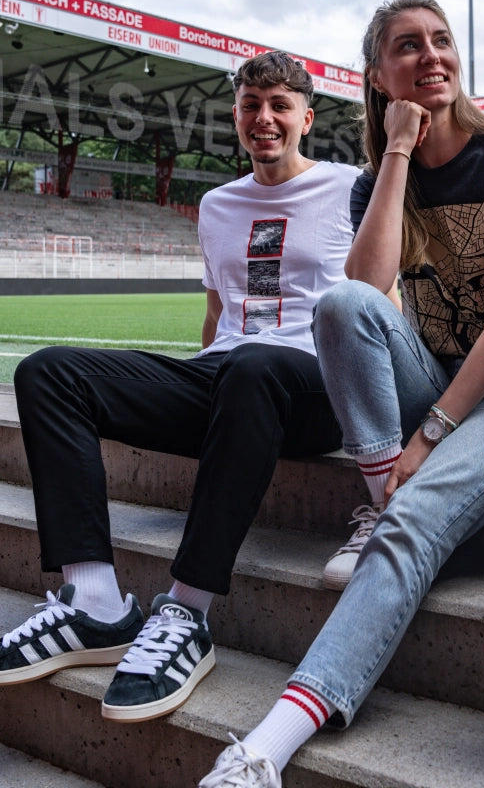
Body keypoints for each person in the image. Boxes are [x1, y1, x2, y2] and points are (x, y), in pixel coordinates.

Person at [197, 0, 484, 786]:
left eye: (442, 41)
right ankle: (376, 489)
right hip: (427, 375)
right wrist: (395, 153)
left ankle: (265, 749)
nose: (432, 57)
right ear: (377, 75)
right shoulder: (374, 182)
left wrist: (428, 437)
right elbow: (363, 290)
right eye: (408, 46)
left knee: (412, 524)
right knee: (340, 303)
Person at [0, 50, 358, 723]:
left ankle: (187, 614)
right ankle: (96, 604)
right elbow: (218, 317)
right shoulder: (219, 204)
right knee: (48, 372)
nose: (265, 118)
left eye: (280, 105)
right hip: (229, 377)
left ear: (306, 117)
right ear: (237, 116)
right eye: (252, 105)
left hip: (316, 387)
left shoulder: (349, 187)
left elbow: (382, 303)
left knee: (255, 367)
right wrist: (199, 403)